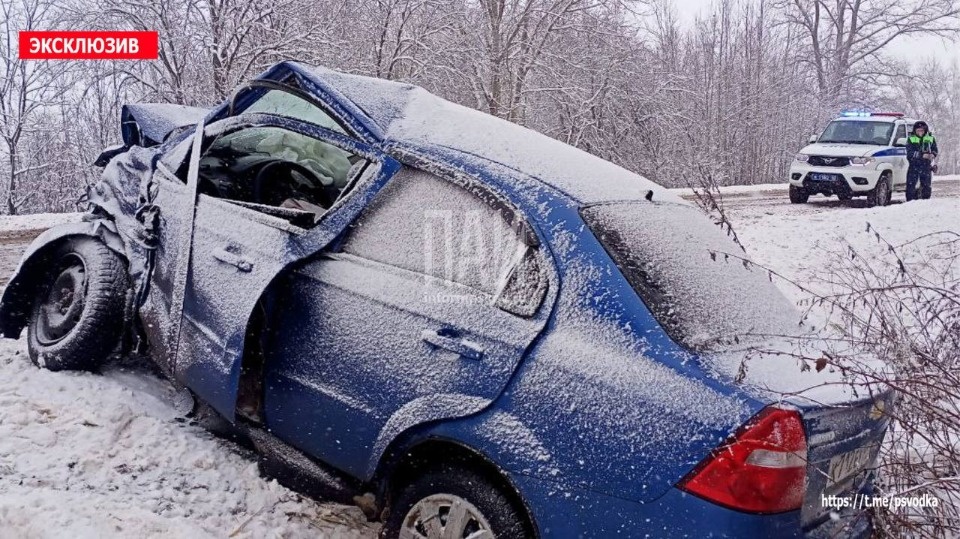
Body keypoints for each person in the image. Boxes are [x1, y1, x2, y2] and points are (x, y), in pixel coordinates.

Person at [905, 121, 938, 201]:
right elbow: (910, 153)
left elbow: (935, 149)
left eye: (922, 130)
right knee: (911, 184)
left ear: (925, 130)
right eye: (918, 130)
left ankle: (925, 200)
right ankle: (910, 201)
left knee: (926, 185)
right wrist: (921, 155)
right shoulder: (911, 139)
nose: (920, 132)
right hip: (914, 165)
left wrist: (932, 154)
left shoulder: (930, 138)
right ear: (915, 130)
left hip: (926, 165)